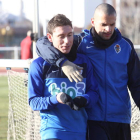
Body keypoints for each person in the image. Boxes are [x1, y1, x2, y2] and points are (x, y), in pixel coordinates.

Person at [35, 3, 140, 140]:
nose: (108, 29)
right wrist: (63, 63)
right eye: (103, 24)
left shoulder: (126, 46)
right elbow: (41, 44)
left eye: (112, 24)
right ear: (93, 22)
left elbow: (137, 84)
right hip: (93, 119)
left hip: (121, 118)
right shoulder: (81, 43)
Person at [28, 14, 98, 140]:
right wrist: (56, 98)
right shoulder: (39, 65)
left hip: (80, 132)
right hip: (52, 132)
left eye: (69, 35)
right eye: (61, 36)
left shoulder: (85, 61)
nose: (67, 41)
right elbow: (33, 102)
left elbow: (94, 93)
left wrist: (84, 99)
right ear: (50, 37)